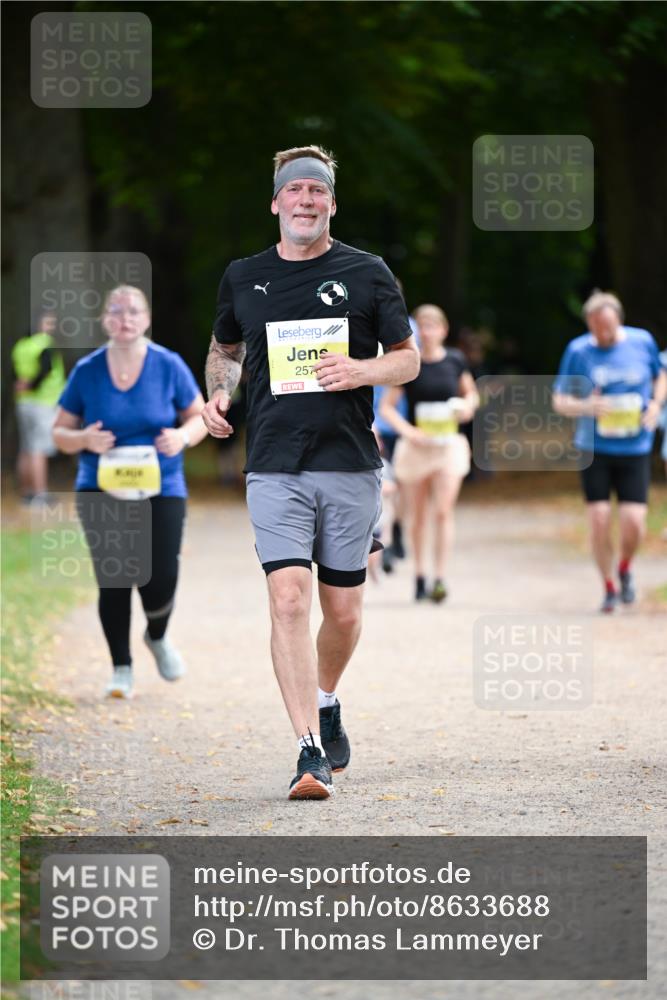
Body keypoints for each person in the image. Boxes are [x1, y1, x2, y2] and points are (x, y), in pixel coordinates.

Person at [202, 145, 419, 800]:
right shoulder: (243, 275)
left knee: (344, 612)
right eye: (293, 190)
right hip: (273, 461)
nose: (304, 200)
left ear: (330, 203)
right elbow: (225, 348)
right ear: (275, 202)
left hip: (349, 461)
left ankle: (326, 698)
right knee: (289, 597)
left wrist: (362, 370)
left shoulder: (367, 272)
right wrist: (218, 394)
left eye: (316, 191)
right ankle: (306, 749)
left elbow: (406, 359)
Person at [53, 285, 208, 697]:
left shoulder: (168, 365)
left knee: (161, 573)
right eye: (116, 311)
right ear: (105, 319)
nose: (125, 318)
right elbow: (59, 433)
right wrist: (84, 438)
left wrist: (182, 437)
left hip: (162, 484)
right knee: (115, 578)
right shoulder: (87, 370)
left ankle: (156, 635)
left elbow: (199, 418)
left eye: (133, 311)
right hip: (100, 487)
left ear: (147, 318)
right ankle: (121, 668)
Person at [553, 290, 666, 613]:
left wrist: (656, 405)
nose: (602, 334)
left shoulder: (641, 342)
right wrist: (586, 405)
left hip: (635, 447)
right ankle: (608, 586)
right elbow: (559, 400)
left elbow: (661, 377)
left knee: (634, 522)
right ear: (588, 323)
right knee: (599, 518)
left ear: (619, 320)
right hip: (594, 448)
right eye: (595, 328)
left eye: (607, 328)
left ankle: (625, 566)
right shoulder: (577, 350)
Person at [380, 304, 479, 603]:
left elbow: (471, 394)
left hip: (449, 446)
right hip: (418, 447)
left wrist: (467, 408)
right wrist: (408, 432)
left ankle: (440, 577)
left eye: (433, 326)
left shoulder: (455, 360)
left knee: (443, 510)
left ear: (444, 330)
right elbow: (387, 406)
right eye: (422, 327)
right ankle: (420, 575)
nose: (428, 332)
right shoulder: (411, 363)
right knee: (418, 515)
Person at [12, 312, 66, 504]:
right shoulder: (45, 344)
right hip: (43, 402)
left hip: (23, 401)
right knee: (38, 449)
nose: (51, 327)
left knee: (26, 447)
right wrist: (33, 385)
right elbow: (46, 370)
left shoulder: (21, 345)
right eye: (48, 322)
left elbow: (15, 372)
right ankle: (40, 494)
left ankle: (27, 492)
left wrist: (23, 385)